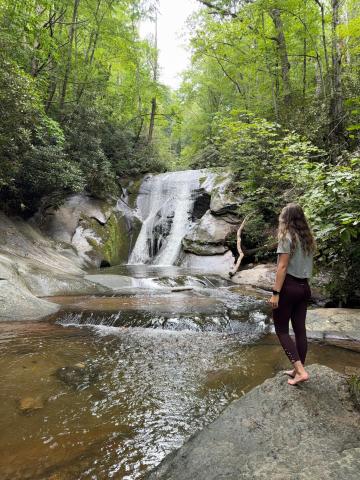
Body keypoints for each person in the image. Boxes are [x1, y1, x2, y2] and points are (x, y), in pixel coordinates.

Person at [268, 203, 316, 386]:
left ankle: (301, 372)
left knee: (281, 330)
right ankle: (298, 369)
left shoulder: (286, 237)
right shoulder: (307, 238)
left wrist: (275, 293)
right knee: (299, 330)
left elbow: (282, 267)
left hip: (288, 287)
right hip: (304, 288)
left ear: (286, 218)